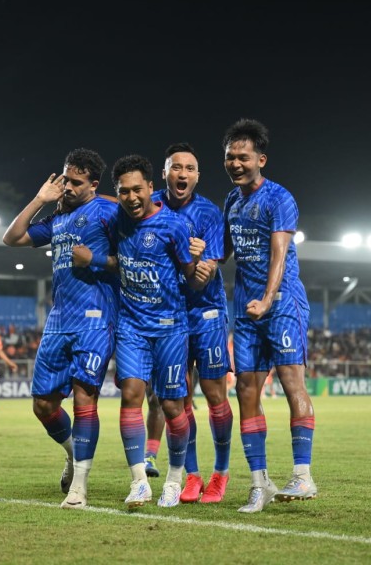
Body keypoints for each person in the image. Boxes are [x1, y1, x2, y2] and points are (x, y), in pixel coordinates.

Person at [2, 148, 119, 509]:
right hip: (58, 320)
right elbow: (12, 238)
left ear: (94, 185)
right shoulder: (58, 218)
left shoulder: (108, 213)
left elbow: (132, 260)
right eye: (65, 179)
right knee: (42, 405)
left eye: (76, 182)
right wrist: (40, 199)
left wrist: (95, 259)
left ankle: (79, 487)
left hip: (96, 319)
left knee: (85, 397)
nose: (67, 187)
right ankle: (72, 453)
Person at [99, 154, 207, 509]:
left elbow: (190, 276)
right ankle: (139, 482)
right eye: (123, 191)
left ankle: (175, 480)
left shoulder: (174, 226)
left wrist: (199, 265)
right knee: (131, 394)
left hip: (170, 327)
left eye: (137, 190)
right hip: (131, 326)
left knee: (172, 405)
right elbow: (97, 205)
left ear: (150, 187)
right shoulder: (116, 219)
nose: (131, 197)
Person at [222, 118, 317, 513]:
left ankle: (303, 474)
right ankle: (259, 483)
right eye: (230, 157)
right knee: (246, 390)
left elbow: (279, 255)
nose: (235, 163)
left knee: (292, 382)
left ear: (260, 159)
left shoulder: (280, 198)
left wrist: (267, 298)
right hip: (246, 309)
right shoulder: (231, 201)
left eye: (243, 157)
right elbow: (222, 252)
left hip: (281, 304)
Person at [151, 142, 234, 504]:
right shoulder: (150, 205)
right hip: (169, 314)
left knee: (214, 395)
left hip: (207, 313)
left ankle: (220, 474)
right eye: (176, 167)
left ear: (197, 176)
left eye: (189, 168)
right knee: (178, 399)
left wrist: (195, 262)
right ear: (164, 173)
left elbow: (203, 277)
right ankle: (193, 475)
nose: (182, 174)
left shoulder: (209, 214)